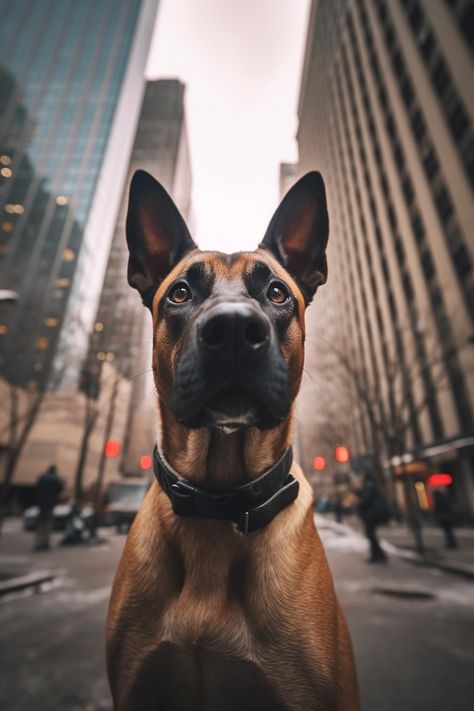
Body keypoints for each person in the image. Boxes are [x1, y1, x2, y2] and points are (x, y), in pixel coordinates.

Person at [357, 474, 388, 563]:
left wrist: (359, 503)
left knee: (371, 535)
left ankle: (378, 556)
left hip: (370, 516)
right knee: (371, 535)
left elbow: (365, 500)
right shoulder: (371, 487)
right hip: (371, 515)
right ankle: (378, 555)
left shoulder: (368, 487)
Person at [34, 464, 63, 551]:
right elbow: (60, 490)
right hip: (50, 504)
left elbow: (37, 488)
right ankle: (45, 542)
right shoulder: (56, 479)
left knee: (40, 523)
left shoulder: (42, 478)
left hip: (41, 503)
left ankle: (38, 542)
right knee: (48, 523)